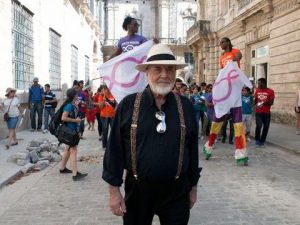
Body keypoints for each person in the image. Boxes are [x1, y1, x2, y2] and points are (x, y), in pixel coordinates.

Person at [102, 44, 201, 225]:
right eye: (157, 69)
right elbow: (114, 151)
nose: (164, 74)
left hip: (176, 192)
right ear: (147, 72)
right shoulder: (128, 105)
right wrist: (114, 191)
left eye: (169, 69)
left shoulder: (185, 106)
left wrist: (193, 187)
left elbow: (193, 150)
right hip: (138, 191)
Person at [203, 37, 250, 166]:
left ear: (228, 42)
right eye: (220, 43)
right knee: (217, 121)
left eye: (223, 42)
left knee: (238, 124)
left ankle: (241, 153)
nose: (221, 44)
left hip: (235, 91)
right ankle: (209, 146)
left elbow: (239, 55)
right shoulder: (221, 57)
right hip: (225, 91)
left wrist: (235, 59)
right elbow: (221, 73)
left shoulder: (234, 51)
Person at [59, 88, 88, 181]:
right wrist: (76, 120)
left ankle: (62, 168)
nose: (78, 95)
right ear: (74, 96)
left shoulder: (72, 104)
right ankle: (75, 174)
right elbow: (63, 118)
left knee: (68, 149)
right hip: (69, 131)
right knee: (73, 150)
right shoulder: (68, 106)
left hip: (71, 131)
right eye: (76, 94)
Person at [254, 78, 275, 147]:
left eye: (259, 83)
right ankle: (257, 140)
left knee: (266, 127)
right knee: (259, 126)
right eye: (258, 83)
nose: (258, 84)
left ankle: (262, 141)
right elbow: (255, 101)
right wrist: (255, 103)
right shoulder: (257, 91)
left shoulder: (270, 91)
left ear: (263, 83)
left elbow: (271, 102)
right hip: (258, 112)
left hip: (266, 112)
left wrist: (263, 103)